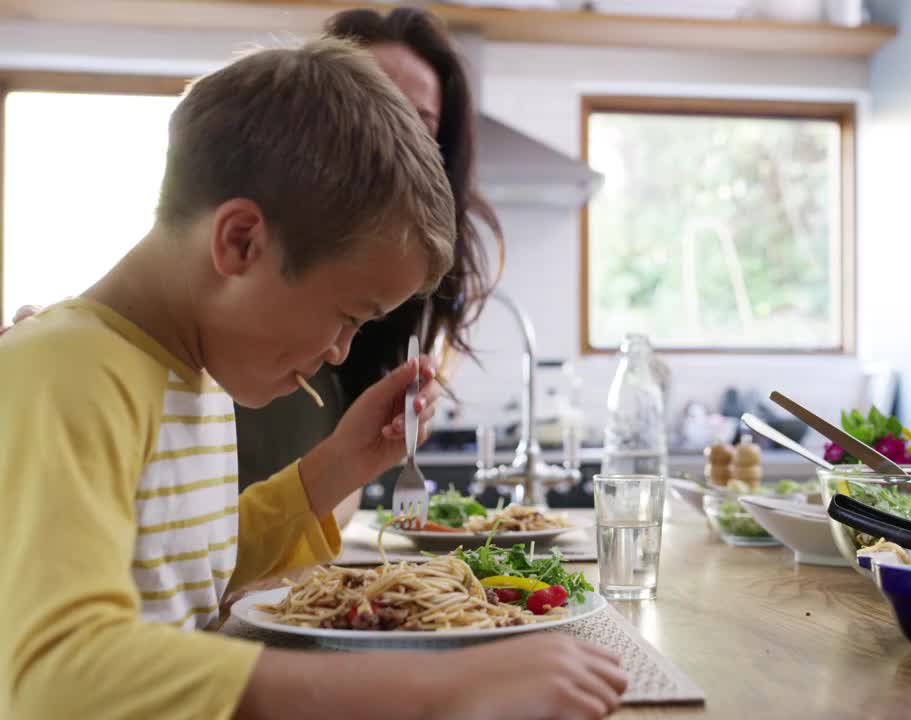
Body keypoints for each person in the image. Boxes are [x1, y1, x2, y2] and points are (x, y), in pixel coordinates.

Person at [0, 39, 624, 719]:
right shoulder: (65, 374)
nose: (339, 353)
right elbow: (57, 670)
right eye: (348, 316)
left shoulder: (194, 372)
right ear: (240, 241)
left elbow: (189, 562)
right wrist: (435, 689)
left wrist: (338, 465)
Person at [234, 6, 504, 527]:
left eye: (416, 124)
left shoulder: (390, 318)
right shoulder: (240, 260)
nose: (390, 148)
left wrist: (354, 459)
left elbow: (260, 546)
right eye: (371, 108)